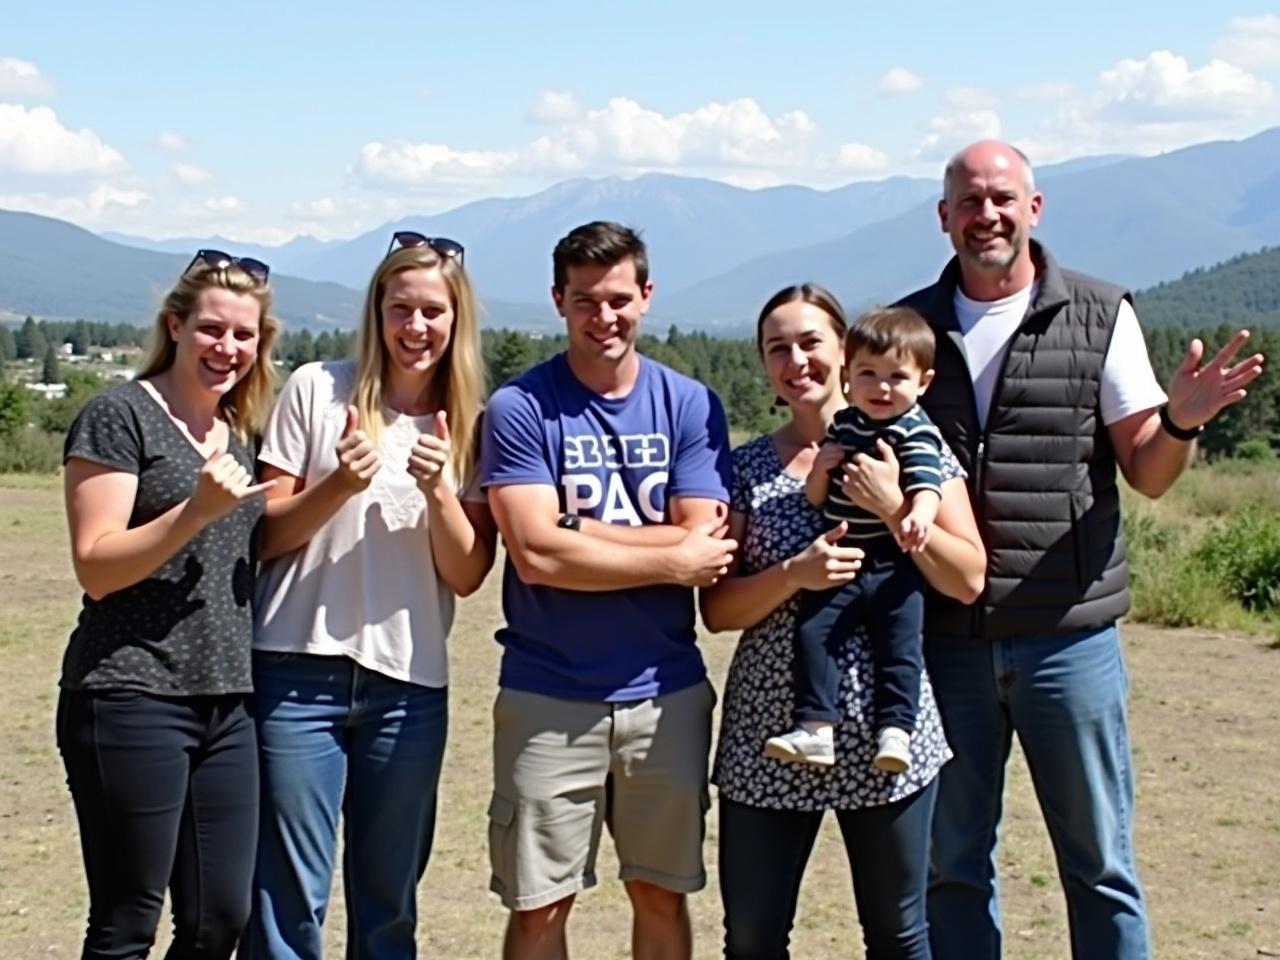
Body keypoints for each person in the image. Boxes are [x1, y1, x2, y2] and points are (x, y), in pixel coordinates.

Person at [899, 140, 1267, 960]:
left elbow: (1149, 472)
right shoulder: (907, 329)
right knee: (951, 867)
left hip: (1069, 641)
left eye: (1002, 198)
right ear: (943, 216)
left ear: (1034, 208)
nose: (985, 214)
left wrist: (1182, 420)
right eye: (967, 201)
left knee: (1100, 866)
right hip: (947, 642)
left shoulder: (1101, 313)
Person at [703, 282, 987, 960]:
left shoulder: (921, 449)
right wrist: (790, 576)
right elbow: (717, 611)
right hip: (772, 734)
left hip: (888, 735)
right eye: (778, 348)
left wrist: (894, 508)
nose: (795, 360)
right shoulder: (742, 469)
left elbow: (969, 578)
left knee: (897, 934)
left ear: (845, 352)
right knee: (751, 935)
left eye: (811, 343)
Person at [480, 221, 736, 960]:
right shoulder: (522, 409)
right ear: (559, 301)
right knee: (539, 907)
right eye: (586, 301)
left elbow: (708, 539)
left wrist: (580, 527)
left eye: (619, 298)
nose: (605, 317)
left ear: (647, 297)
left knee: (661, 892)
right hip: (546, 691)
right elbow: (535, 556)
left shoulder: (688, 404)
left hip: (667, 694)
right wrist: (667, 557)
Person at [239, 233, 496, 959]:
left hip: (408, 688)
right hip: (294, 674)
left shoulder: (475, 424)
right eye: (400, 308)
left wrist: (437, 488)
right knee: (286, 899)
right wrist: (341, 484)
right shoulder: (317, 390)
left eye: (433, 312)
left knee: (388, 906)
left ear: (457, 320)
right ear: (376, 312)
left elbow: (469, 572)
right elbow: (267, 537)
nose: (416, 327)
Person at [58, 250, 280, 959]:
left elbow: (258, 543)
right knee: (128, 921)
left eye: (244, 335)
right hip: (130, 692)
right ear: (175, 326)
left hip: (227, 701)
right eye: (212, 329)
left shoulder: (240, 430)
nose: (228, 348)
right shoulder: (119, 415)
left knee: (222, 918)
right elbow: (96, 565)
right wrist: (194, 510)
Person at [764, 306, 944, 773]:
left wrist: (914, 516)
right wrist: (820, 473)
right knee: (813, 633)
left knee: (898, 645)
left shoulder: (915, 431)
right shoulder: (845, 426)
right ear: (849, 375)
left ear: (922, 383)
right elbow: (816, 499)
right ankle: (816, 729)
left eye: (896, 377)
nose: (881, 388)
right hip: (842, 555)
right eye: (869, 373)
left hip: (892, 563)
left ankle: (896, 732)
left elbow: (929, 482)